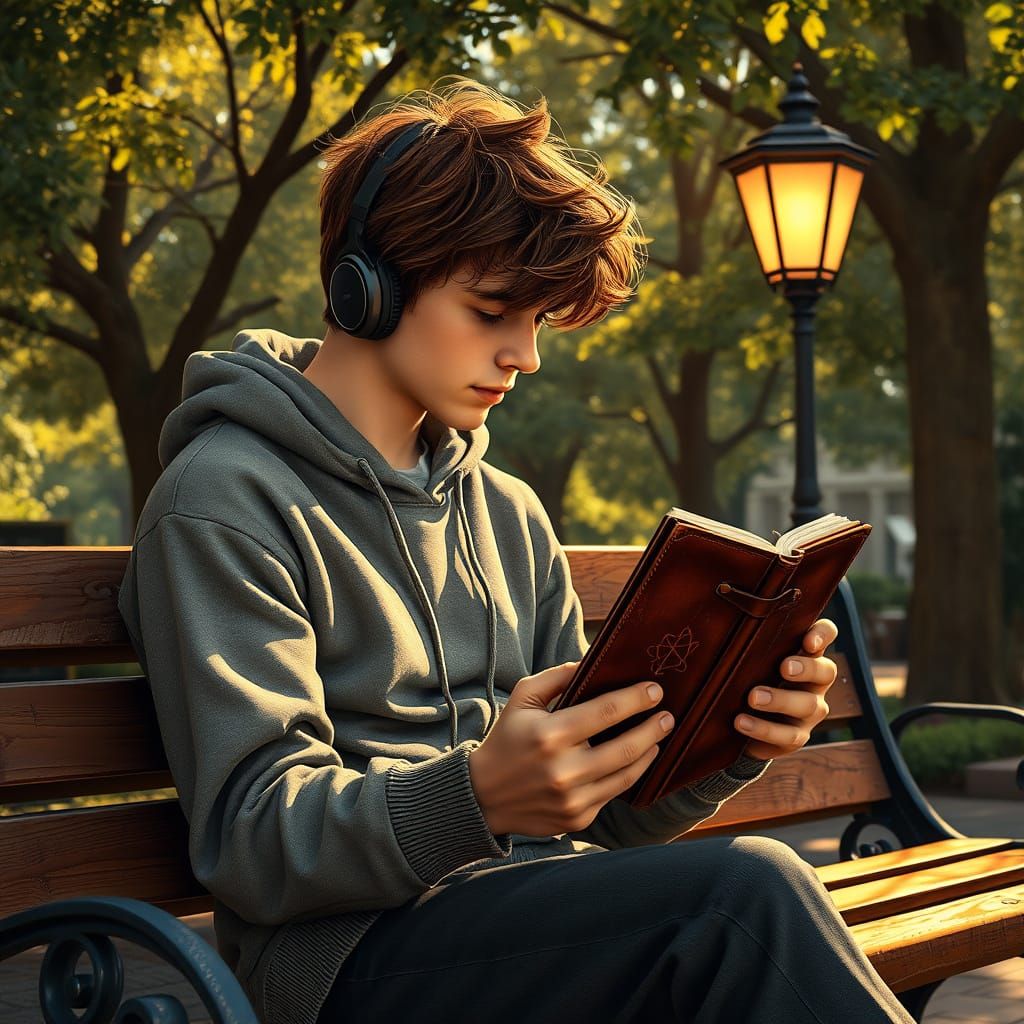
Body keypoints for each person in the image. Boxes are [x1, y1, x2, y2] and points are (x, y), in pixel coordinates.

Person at [116, 76, 914, 1024]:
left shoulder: (506, 511)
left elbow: (608, 819)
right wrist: (478, 793)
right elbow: (251, 835)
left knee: (734, 917)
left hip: (523, 921)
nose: (524, 356)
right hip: (341, 965)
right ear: (365, 287)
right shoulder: (223, 500)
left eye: (536, 323)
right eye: (495, 311)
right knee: (740, 901)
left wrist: (729, 739)